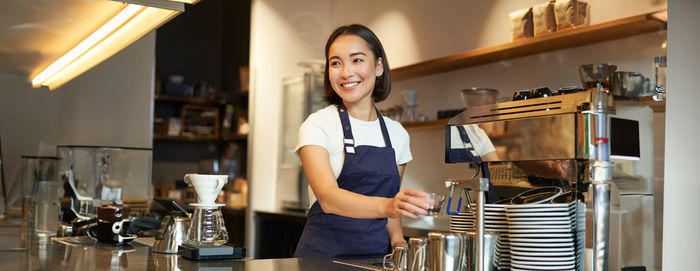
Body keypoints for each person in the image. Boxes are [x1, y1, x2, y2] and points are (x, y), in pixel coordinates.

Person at [293, 24, 431, 258]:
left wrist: (398, 242)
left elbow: (391, 203)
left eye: (357, 60)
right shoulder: (317, 125)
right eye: (336, 63)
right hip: (321, 260)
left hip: (375, 259)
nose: (346, 72)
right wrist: (388, 206)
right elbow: (328, 198)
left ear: (378, 67)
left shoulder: (397, 134)